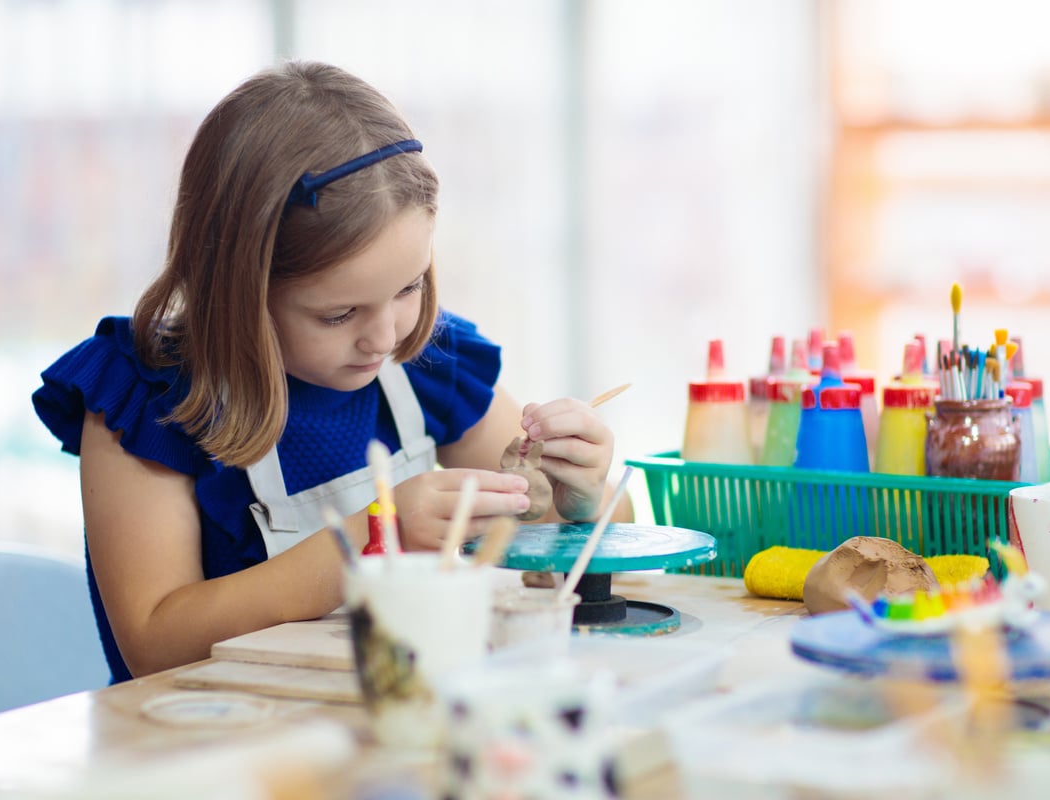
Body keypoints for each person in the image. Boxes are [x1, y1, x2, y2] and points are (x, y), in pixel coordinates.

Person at [33, 61, 632, 683]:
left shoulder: (427, 364)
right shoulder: (148, 397)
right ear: (237, 289)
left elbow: (597, 544)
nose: (384, 336)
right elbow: (156, 644)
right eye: (339, 312)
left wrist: (581, 500)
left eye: (408, 287)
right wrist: (372, 538)